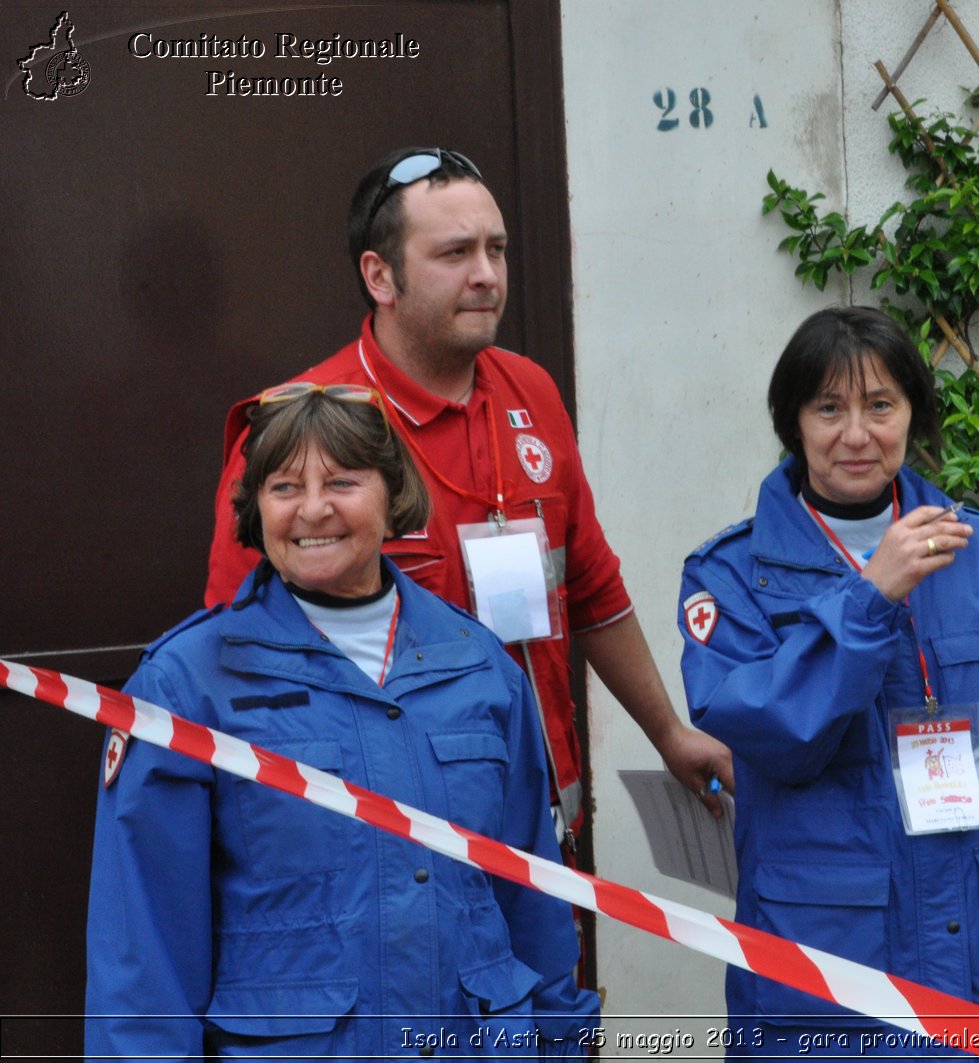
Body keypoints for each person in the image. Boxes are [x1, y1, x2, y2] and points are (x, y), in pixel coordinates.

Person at [204, 148, 732, 845]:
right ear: (379, 275)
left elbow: (593, 588)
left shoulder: (531, 390)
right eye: (455, 253)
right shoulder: (303, 428)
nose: (487, 275)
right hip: (393, 840)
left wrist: (667, 732)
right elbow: (237, 647)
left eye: (497, 249)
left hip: (543, 834)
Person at [87, 386, 598, 1059]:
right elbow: (140, 953)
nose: (312, 508)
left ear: (393, 494)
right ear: (255, 508)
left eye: (342, 481)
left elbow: (534, 905)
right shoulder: (186, 684)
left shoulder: (481, 668)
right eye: (284, 485)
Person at [677, 307, 979, 1053]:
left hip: (978, 957)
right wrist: (869, 596)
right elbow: (774, 732)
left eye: (881, 405)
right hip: (825, 972)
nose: (857, 433)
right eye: (829, 408)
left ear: (912, 411)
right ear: (793, 422)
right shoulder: (729, 572)